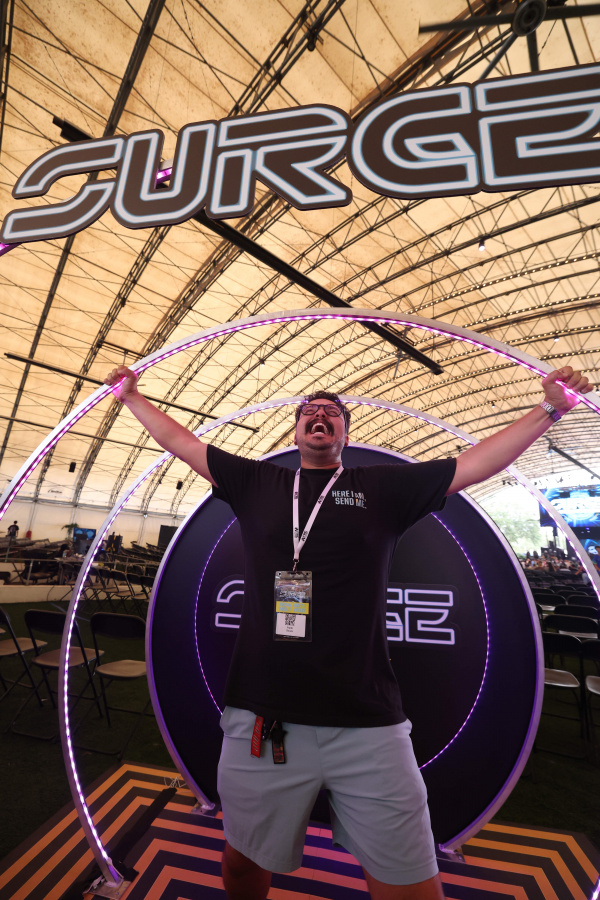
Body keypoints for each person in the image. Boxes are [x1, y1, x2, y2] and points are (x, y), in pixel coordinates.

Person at [105, 363, 591, 900]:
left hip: (368, 724)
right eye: (309, 411)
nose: (320, 415)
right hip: (264, 719)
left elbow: (474, 464)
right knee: (242, 867)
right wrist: (131, 398)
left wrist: (550, 410)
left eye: (332, 412)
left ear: (344, 433)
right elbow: (182, 443)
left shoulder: (380, 487)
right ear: (295, 430)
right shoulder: (257, 481)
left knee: (412, 883)